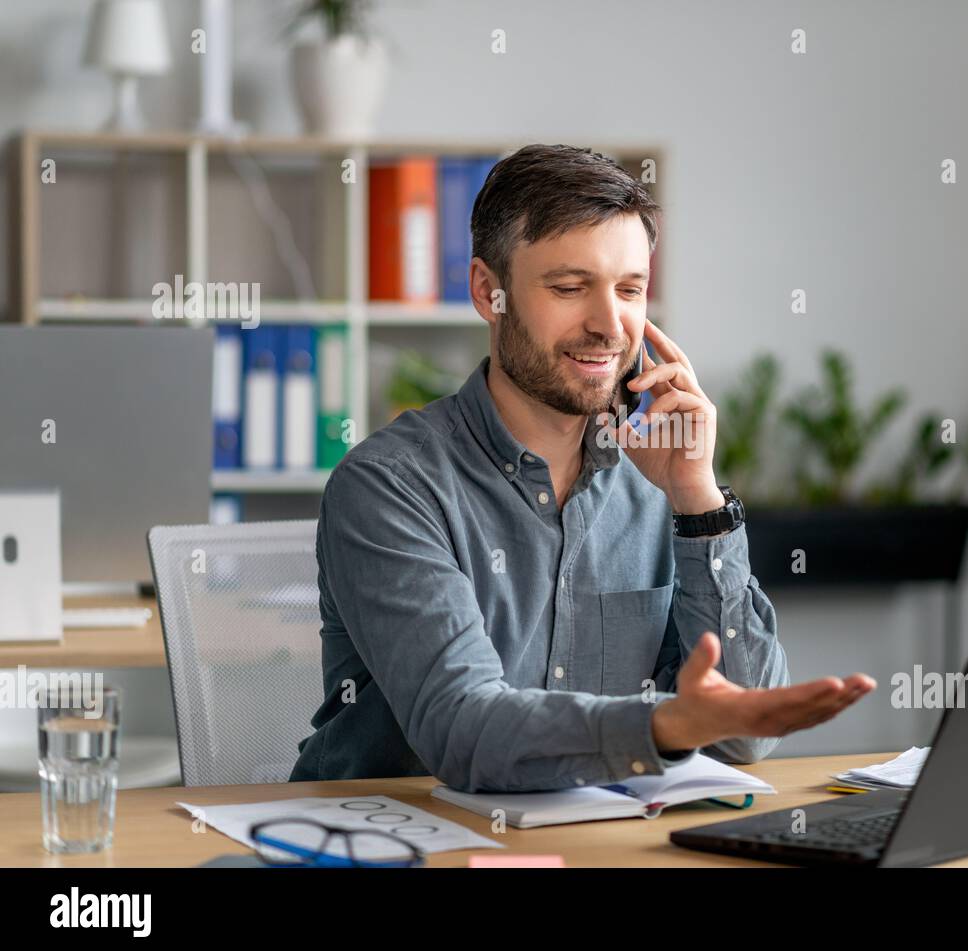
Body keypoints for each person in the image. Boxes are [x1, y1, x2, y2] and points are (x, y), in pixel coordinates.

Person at [290, 144, 875, 790]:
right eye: (570, 288)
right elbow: (462, 727)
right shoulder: (389, 487)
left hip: (594, 843)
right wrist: (662, 727)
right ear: (490, 292)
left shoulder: (657, 483)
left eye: (631, 290)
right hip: (388, 845)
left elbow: (746, 733)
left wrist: (697, 499)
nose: (609, 324)